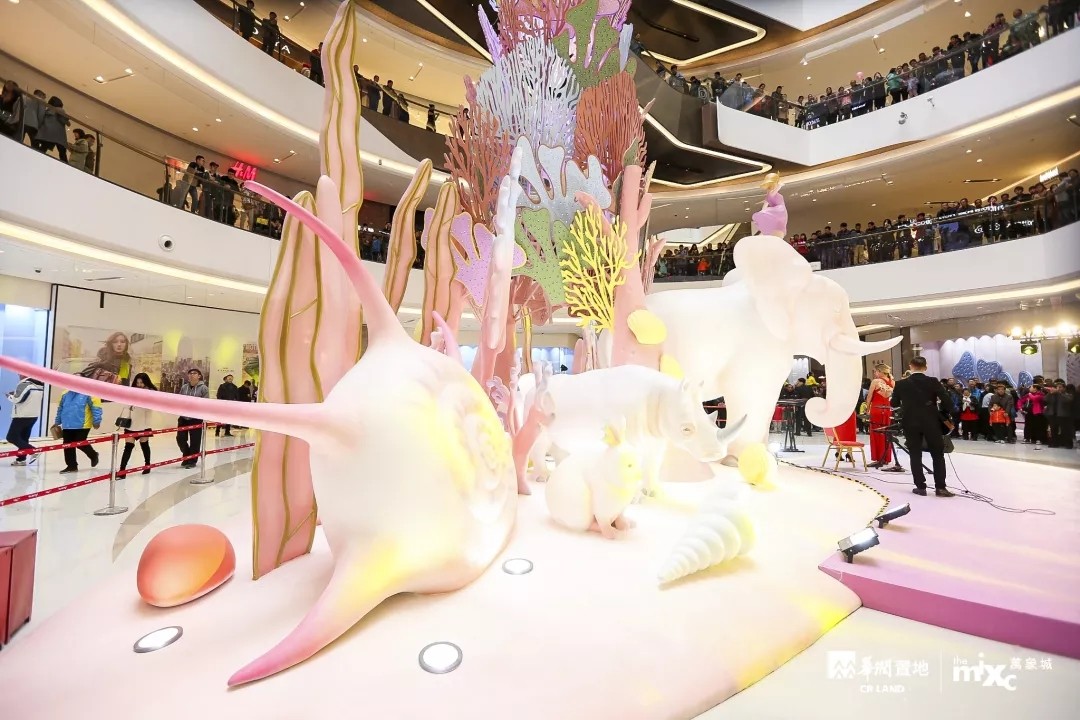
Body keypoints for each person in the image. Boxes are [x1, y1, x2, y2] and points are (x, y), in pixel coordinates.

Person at [890, 356, 954, 497]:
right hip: (931, 422)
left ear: (910, 366)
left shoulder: (901, 384)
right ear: (925, 367)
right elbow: (948, 402)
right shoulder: (933, 381)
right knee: (937, 454)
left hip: (910, 423)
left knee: (915, 454)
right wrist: (942, 412)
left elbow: (894, 404)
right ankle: (940, 487)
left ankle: (920, 487)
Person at [54, 387, 102, 474]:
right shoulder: (65, 393)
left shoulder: (90, 393)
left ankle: (93, 455)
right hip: (67, 424)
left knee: (80, 443)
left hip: (83, 424)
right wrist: (57, 421)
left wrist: (97, 421)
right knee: (67, 445)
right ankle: (71, 466)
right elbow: (60, 408)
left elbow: (96, 407)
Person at [118, 373, 157, 476]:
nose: (139, 385)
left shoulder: (151, 393)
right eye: (137, 382)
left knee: (145, 446)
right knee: (128, 447)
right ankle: (122, 470)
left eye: (141, 383)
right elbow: (126, 405)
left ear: (146, 383)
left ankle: (147, 465)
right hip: (131, 425)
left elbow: (151, 406)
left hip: (144, 424)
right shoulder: (132, 392)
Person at [5, 376, 43, 466]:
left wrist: (9, 396)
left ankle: (34, 451)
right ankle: (21, 459)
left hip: (22, 416)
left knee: (11, 437)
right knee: (24, 438)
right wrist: (16, 394)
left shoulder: (24, 384)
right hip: (33, 415)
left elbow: (17, 399)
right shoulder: (39, 385)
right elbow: (27, 397)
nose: (18, 374)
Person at [176, 368, 209, 469]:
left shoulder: (203, 388)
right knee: (180, 438)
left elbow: (206, 403)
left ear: (199, 376)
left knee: (195, 440)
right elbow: (179, 400)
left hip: (196, 418)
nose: (191, 375)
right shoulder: (184, 387)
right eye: (190, 373)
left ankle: (192, 460)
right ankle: (186, 455)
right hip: (183, 417)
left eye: (194, 373)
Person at [866, 362, 895, 467]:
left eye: (875, 371)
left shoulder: (876, 381)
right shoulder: (892, 382)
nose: (875, 373)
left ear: (880, 371)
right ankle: (886, 458)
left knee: (876, 433)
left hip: (876, 409)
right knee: (886, 433)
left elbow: (869, 396)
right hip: (887, 409)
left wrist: (867, 408)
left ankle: (878, 458)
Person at [35, 96, 70, 162]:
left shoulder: (49, 110)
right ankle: (65, 166)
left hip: (48, 133)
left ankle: (35, 159)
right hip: (58, 134)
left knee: (43, 148)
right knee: (62, 152)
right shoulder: (60, 110)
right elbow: (64, 121)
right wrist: (68, 122)